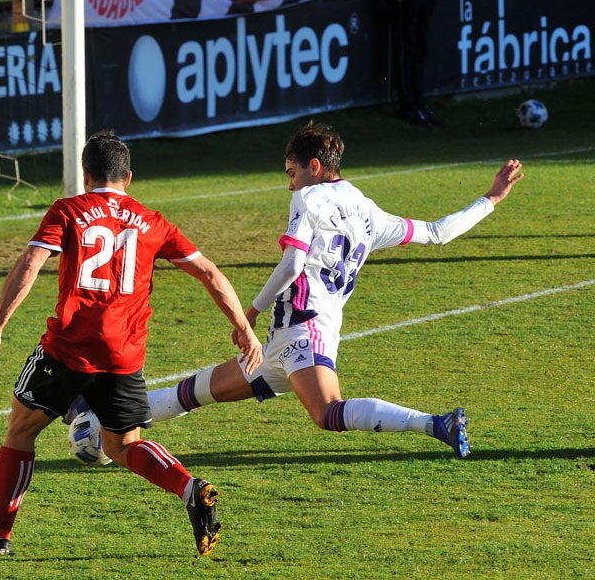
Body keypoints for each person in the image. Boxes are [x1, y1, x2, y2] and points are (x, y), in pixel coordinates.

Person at [75, 122, 522, 460]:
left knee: (328, 413)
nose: (289, 184)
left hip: (303, 330)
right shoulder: (370, 212)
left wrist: (248, 312)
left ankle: (435, 424)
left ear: (313, 167)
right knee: (192, 393)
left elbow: (292, 263)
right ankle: (99, 424)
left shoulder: (309, 199)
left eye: (292, 173)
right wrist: (492, 199)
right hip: (287, 341)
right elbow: (438, 232)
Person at [0, 130, 263, 557]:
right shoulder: (153, 222)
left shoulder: (68, 210)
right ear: (129, 177)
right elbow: (210, 273)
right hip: (123, 355)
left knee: (21, 430)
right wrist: (244, 328)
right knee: (124, 445)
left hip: (68, 348)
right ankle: (188, 486)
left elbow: (30, 263)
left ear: (85, 175)